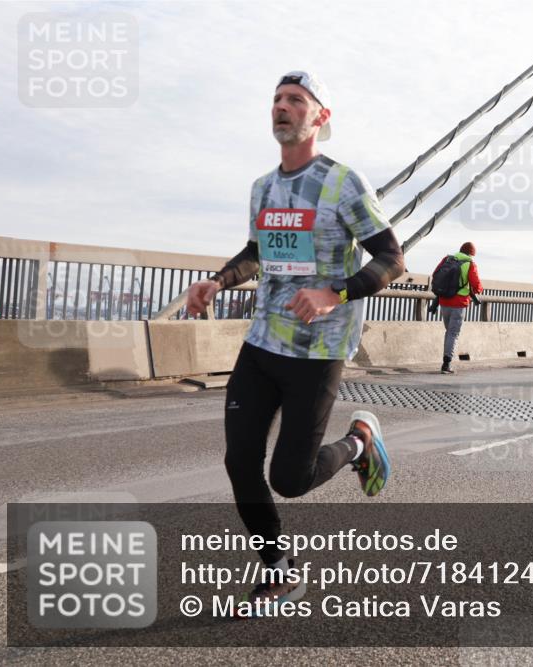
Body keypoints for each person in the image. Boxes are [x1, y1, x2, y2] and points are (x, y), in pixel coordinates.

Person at [185, 71, 404, 612]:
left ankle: (358, 443)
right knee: (240, 462)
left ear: (319, 117)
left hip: (319, 350)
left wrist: (336, 293)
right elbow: (256, 251)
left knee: (290, 479)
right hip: (262, 344)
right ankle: (279, 569)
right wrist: (218, 280)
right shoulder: (263, 187)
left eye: (295, 100)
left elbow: (392, 259)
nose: (282, 107)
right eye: (277, 99)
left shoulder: (343, 183)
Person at [432, 242, 482, 374]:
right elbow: (476, 286)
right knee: (453, 333)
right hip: (459, 303)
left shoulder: (447, 259)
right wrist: (478, 289)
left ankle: (446, 360)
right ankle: (446, 364)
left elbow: (435, 274)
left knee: (449, 332)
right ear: (471, 254)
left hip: (444, 301)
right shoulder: (470, 263)